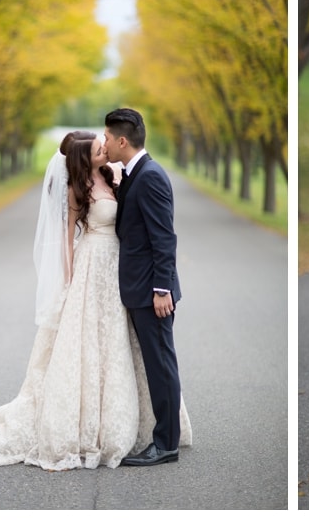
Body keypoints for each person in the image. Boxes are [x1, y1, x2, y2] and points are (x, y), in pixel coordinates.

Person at [0, 130, 191, 470]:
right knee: (92, 346)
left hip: (122, 272)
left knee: (126, 345)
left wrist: (158, 282)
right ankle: (93, 427)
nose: (104, 147)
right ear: (86, 158)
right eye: (98, 147)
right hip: (92, 266)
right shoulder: (76, 190)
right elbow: (66, 241)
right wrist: (68, 285)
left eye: (105, 142)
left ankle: (156, 428)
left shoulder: (119, 174)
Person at [103, 108, 186, 467]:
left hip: (152, 292)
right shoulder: (134, 173)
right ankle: (164, 437)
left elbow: (164, 238)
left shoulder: (150, 176)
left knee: (161, 364)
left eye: (106, 138)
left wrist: (162, 289)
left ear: (122, 141)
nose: (104, 143)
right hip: (139, 288)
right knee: (156, 363)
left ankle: (166, 443)